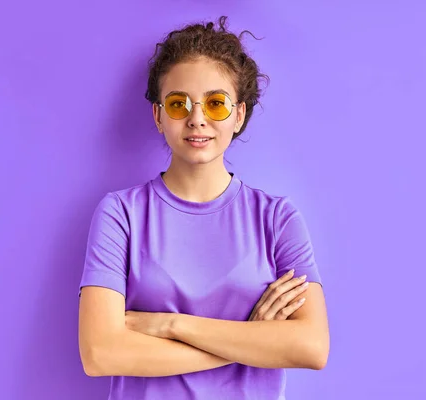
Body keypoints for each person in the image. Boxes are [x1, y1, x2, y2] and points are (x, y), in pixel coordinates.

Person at [78, 16, 329, 400]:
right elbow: (100, 353)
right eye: (179, 104)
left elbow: (311, 347)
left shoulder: (277, 218)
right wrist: (251, 339)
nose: (197, 119)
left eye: (216, 103)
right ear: (159, 116)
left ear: (239, 115)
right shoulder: (120, 214)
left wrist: (171, 326)